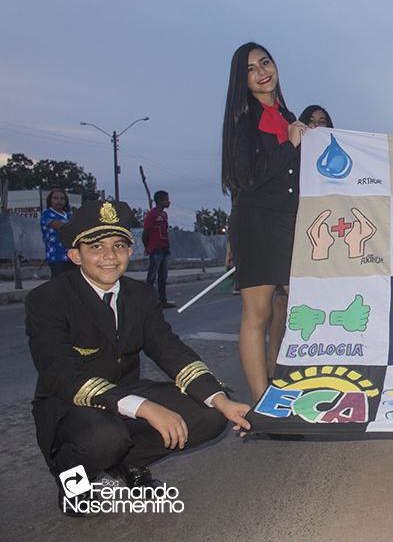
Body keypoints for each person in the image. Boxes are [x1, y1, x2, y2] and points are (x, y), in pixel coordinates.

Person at [25, 200, 251, 516]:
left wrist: (220, 400)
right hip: (69, 406)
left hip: (124, 395)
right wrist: (145, 408)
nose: (109, 256)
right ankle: (72, 480)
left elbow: (170, 350)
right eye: (96, 247)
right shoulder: (47, 300)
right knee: (104, 437)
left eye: (118, 245)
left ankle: (126, 465)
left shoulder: (140, 295)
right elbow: (62, 374)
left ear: (131, 251)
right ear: (76, 255)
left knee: (210, 415)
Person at [221, 42, 307, 402]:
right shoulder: (243, 121)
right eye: (252, 69)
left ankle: (283, 383)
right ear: (243, 81)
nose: (262, 72)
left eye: (265, 62)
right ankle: (261, 404)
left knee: (292, 311)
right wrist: (289, 146)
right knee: (256, 313)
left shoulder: (288, 116)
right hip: (256, 222)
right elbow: (249, 177)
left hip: (291, 224)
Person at [143, 190, 175, 308]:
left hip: (164, 249)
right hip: (155, 249)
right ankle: (147, 301)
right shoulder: (152, 214)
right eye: (166, 199)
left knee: (163, 276)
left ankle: (162, 300)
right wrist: (147, 247)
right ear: (160, 201)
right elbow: (146, 232)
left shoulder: (164, 215)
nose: (168, 202)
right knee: (152, 276)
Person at [40, 188, 75, 278]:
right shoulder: (47, 214)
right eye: (55, 198)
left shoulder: (69, 215)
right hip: (56, 256)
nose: (59, 200)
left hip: (72, 255)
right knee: (59, 284)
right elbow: (62, 227)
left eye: (62, 198)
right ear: (50, 201)